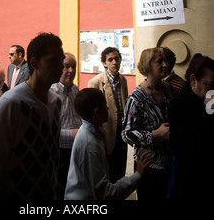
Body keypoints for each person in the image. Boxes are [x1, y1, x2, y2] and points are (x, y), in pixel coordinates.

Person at [0, 32, 65, 200]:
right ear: (34, 63)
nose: (60, 66)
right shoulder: (10, 104)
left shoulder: (56, 102)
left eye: (61, 60)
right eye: (53, 60)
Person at [64, 88, 152, 200]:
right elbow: (105, 194)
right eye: (105, 105)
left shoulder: (91, 132)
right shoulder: (90, 144)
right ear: (97, 112)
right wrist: (137, 176)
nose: (108, 108)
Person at [122, 47, 175, 200]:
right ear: (148, 65)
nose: (165, 65)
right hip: (148, 166)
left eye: (165, 61)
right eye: (160, 61)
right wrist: (154, 134)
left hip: (169, 162)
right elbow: (126, 133)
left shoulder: (169, 89)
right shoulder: (136, 98)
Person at [168, 54, 214, 199]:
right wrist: (209, 114)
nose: (211, 91)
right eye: (208, 85)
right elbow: (189, 148)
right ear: (193, 80)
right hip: (189, 180)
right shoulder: (180, 105)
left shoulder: (203, 102)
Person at [88, 46, 128, 182]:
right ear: (104, 63)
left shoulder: (123, 80)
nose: (114, 62)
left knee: (120, 168)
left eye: (116, 59)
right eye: (110, 60)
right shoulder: (95, 82)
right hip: (106, 132)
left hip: (121, 133)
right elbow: (92, 114)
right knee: (107, 170)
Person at [50, 53, 82, 199]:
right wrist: (72, 134)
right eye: (66, 66)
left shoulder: (76, 90)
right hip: (59, 152)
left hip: (76, 149)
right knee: (59, 189)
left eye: (73, 67)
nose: (71, 70)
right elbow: (48, 130)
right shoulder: (51, 93)